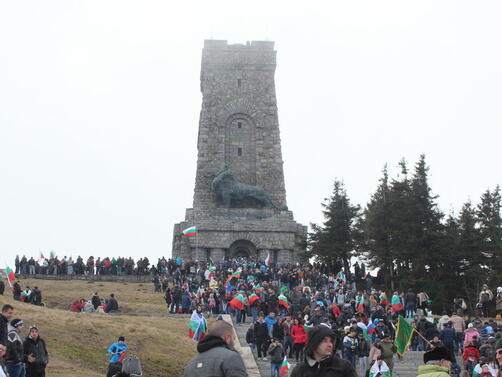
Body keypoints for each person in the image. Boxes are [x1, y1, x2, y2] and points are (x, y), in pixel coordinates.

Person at [183, 320, 247, 377]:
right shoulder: (231, 357)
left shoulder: (191, 363)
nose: (234, 343)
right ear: (227, 338)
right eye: (234, 339)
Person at [291, 325, 357, 377]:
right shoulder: (299, 371)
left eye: (331, 341)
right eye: (324, 341)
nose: (330, 345)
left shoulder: (344, 367)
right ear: (314, 343)